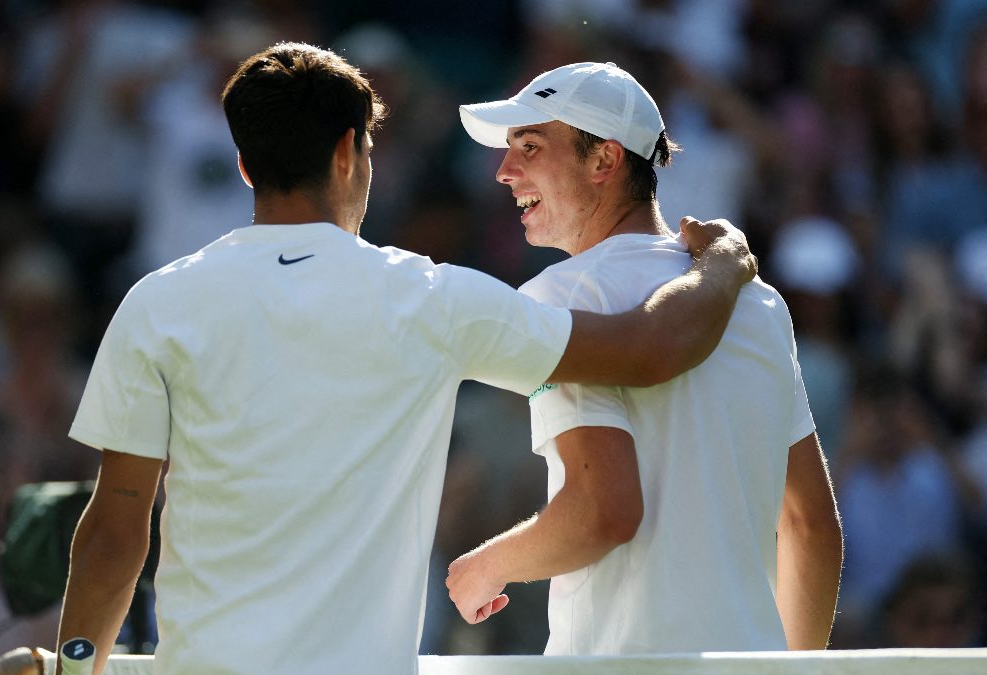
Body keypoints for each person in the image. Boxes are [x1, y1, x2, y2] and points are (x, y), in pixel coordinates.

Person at [53, 44, 756, 675]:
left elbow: (116, 531)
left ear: (244, 166)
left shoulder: (157, 304)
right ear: (347, 154)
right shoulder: (430, 298)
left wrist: (77, 667)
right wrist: (724, 264)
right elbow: (652, 348)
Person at [446, 62, 843, 653]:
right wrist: (793, 671)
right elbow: (812, 528)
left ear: (605, 160)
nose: (505, 172)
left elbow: (602, 514)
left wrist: (484, 566)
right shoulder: (762, 304)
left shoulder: (560, 296)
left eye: (530, 147)